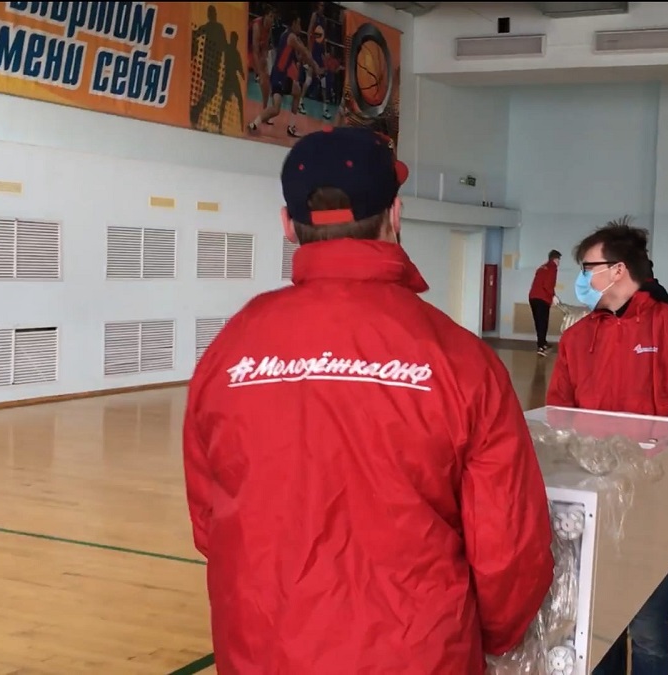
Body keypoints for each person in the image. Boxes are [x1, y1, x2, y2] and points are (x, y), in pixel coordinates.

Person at [183, 126, 555, 675]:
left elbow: (210, 523)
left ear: (287, 225)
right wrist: (489, 638)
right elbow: (508, 551)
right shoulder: (460, 360)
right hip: (418, 657)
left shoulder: (229, 351)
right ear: (395, 216)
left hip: (260, 651)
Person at [546, 219, 668, 675]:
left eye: (588, 268)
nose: (582, 279)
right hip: (591, 509)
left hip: (654, 508)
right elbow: (558, 423)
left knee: (649, 630)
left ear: (618, 269)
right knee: (596, 626)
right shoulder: (577, 339)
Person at [248, 8, 319, 138]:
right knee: (276, 109)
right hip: (278, 77)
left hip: (282, 76)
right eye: (299, 24)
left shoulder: (288, 35)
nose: (300, 27)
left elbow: (299, 54)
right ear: (294, 24)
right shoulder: (291, 37)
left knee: (297, 91)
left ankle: (291, 127)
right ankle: (254, 124)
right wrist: (315, 65)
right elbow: (304, 52)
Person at [528, 249, 562, 356]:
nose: (559, 262)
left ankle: (542, 343)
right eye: (559, 260)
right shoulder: (552, 268)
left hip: (533, 297)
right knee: (543, 322)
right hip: (542, 298)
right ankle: (541, 347)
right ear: (555, 259)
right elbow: (548, 285)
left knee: (538, 322)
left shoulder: (542, 267)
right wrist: (553, 296)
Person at [248, 4, 276, 116]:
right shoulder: (257, 26)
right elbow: (255, 50)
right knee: (261, 77)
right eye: (270, 16)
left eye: (273, 17)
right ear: (265, 16)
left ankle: (265, 109)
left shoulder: (269, 29)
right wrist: (258, 72)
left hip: (256, 52)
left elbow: (264, 48)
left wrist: (264, 62)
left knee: (266, 81)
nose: (272, 19)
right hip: (246, 49)